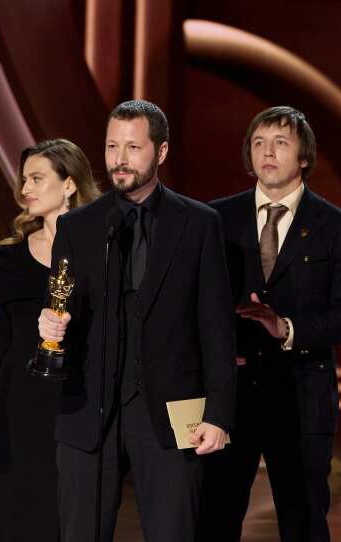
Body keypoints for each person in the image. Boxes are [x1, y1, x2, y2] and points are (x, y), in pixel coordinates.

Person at [38, 100, 236, 541]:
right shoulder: (79, 226)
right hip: (89, 410)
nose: (119, 160)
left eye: (132, 147)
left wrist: (219, 414)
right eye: (111, 147)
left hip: (170, 411)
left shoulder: (199, 223)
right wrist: (49, 328)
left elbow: (216, 327)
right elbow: (60, 304)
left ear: (161, 153)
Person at [202, 106, 341, 542]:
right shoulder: (213, 220)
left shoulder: (336, 226)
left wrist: (289, 328)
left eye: (280, 143)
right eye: (258, 143)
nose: (267, 153)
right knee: (214, 514)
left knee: (303, 520)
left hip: (302, 393)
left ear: (303, 157)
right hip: (230, 394)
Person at [0, 139, 101, 540]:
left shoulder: (103, 250)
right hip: (20, 403)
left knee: (72, 515)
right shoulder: (8, 258)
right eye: (24, 179)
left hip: (79, 399)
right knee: (19, 514)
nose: (25, 188)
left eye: (37, 178)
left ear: (69, 184)